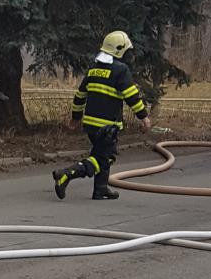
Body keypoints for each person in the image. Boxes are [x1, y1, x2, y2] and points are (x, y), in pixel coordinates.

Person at [52, 31, 152, 201]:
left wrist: (75, 118)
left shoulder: (93, 69)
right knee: (104, 158)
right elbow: (131, 96)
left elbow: (80, 96)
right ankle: (67, 174)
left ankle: (100, 189)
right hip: (107, 125)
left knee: (101, 154)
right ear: (120, 50)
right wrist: (144, 117)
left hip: (90, 125)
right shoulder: (121, 70)